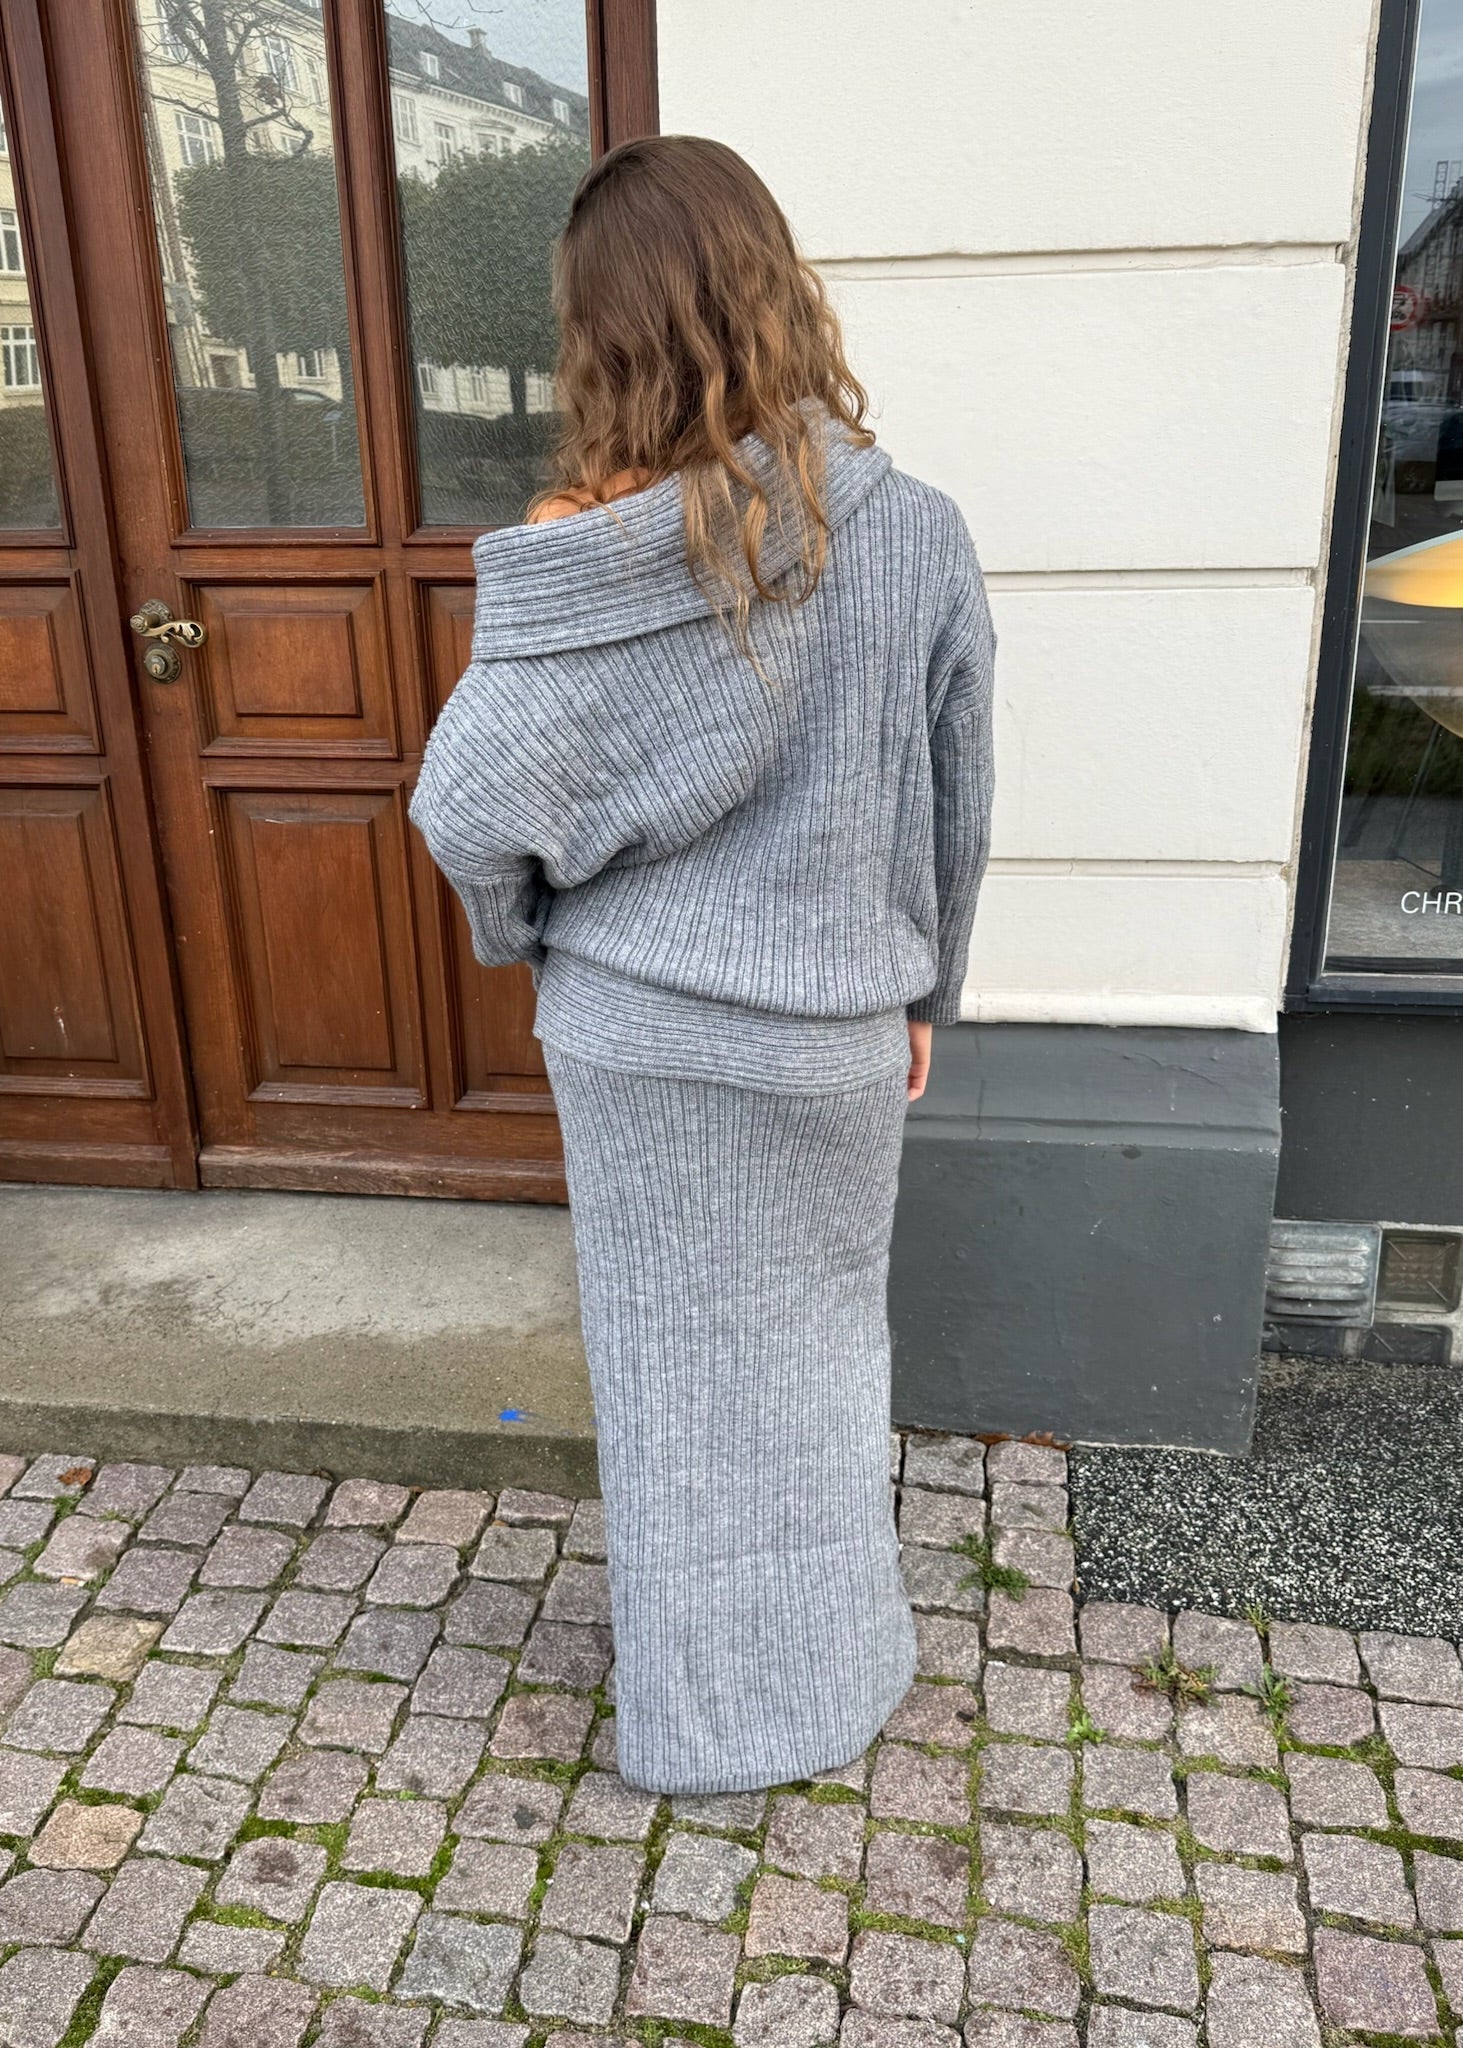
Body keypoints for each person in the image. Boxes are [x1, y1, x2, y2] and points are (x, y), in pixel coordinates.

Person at [409, 134, 995, 1796]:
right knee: (821, 1361)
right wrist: (928, 993)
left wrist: (532, 941)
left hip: (635, 1041)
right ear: (775, 291)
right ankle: (827, 1678)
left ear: (600, 337)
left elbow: (465, 811)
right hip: (831, 1033)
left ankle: (701, 1713)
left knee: (672, 1380)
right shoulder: (920, 532)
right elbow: (957, 794)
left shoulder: (582, 558)